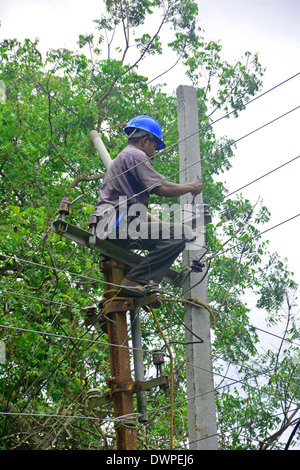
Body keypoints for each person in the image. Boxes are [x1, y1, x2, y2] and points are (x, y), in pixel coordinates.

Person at [92, 115, 203, 297]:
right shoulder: (136, 155)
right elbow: (162, 188)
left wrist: (170, 228)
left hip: (112, 223)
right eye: (154, 147)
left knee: (175, 235)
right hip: (115, 224)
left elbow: (137, 212)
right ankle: (135, 281)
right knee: (178, 235)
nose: (154, 152)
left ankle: (140, 282)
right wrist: (192, 186)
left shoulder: (125, 157)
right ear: (145, 141)